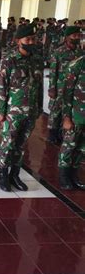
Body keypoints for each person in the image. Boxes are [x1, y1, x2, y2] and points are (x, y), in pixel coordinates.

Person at [0, 24, 43, 192]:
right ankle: (3, 174)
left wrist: (38, 108)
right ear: (18, 41)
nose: (31, 42)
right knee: (8, 144)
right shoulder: (10, 59)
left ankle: (15, 175)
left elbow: (39, 86)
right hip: (12, 111)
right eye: (27, 39)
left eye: (33, 39)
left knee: (21, 146)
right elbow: (1, 86)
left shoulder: (37, 59)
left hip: (30, 111)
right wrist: (0, 111)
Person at [47, 26, 84, 145]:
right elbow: (53, 72)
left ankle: (62, 133)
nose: (77, 38)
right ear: (67, 37)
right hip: (60, 86)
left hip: (74, 88)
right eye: (74, 36)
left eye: (78, 36)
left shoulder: (80, 52)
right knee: (56, 110)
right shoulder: (59, 52)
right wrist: (52, 88)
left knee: (68, 111)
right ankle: (52, 134)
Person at [59, 55, 85, 190]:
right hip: (76, 115)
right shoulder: (76, 65)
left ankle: (74, 175)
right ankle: (64, 176)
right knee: (69, 146)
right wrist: (66, 117)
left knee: (82, 148)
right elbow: (66, 93)